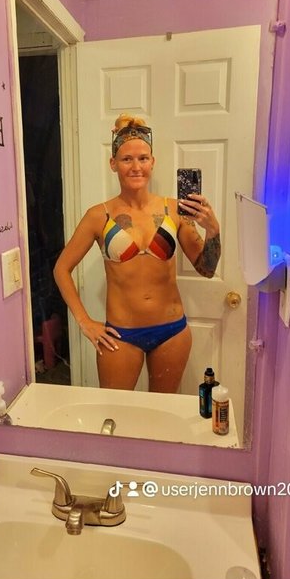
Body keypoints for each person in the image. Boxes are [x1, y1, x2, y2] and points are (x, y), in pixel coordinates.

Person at [53, 114, 221, 393]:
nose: (136, 167)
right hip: (121, 335)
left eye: (143, 158)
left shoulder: (175, 210)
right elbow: (61, 269)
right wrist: (85, 322)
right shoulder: (98, 215)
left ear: (152, 162)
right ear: (113, 164)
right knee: (118, 413)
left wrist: (213, 230)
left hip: (172, 332)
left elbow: (207, 269)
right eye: (126, 159)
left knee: (162, 411)